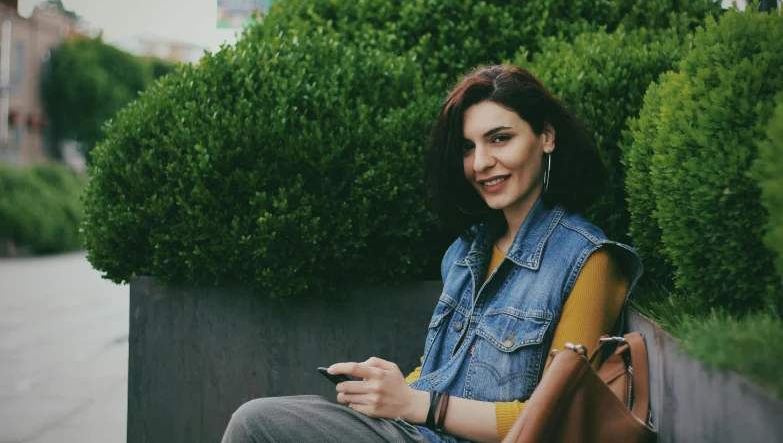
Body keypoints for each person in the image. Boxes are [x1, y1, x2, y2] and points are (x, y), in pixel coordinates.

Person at [221, 65, 642, 443]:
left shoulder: (589, 260)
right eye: (466, 146)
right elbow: (442, 373)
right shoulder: (465, 252)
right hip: (414, 430)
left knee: (253, 424)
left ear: (546, 136)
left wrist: (419, 405)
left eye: (500, 138)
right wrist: (388, 389)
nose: (480, 162)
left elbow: (556, 421)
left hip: (439, 430)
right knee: (268, 420)